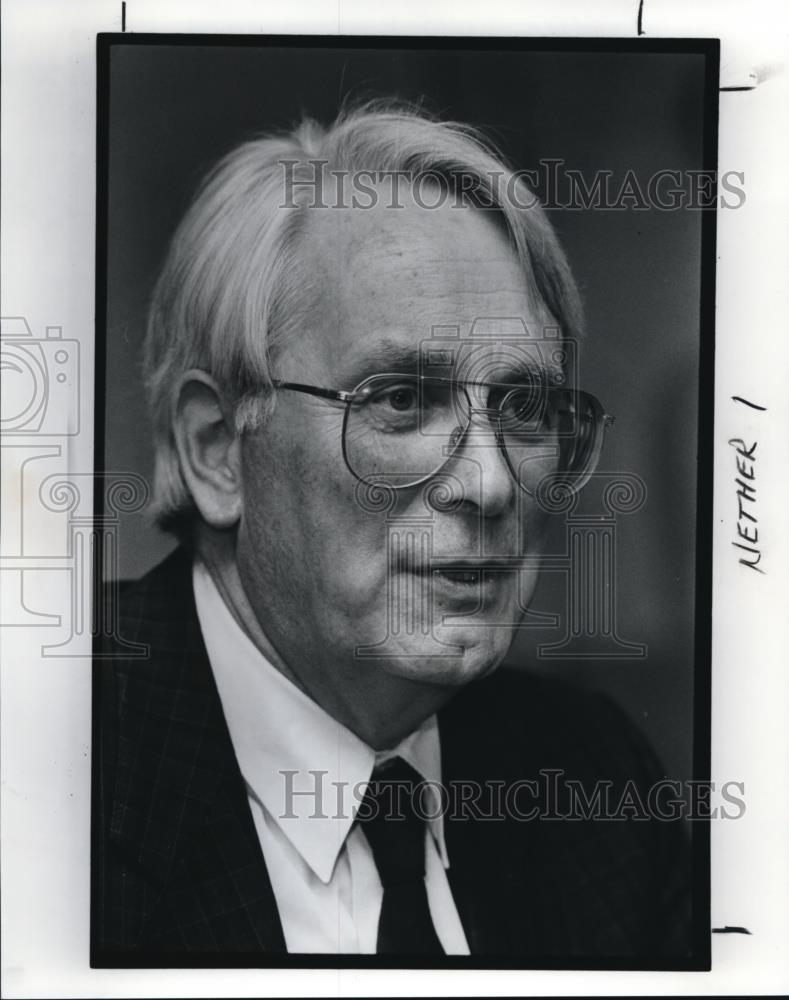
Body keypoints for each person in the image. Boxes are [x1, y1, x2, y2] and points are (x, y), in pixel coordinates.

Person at [93, 103, 692, 962]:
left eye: (524, 409)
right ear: (217, 448)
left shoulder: (594, 785)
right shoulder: (51, 760)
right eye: (402, 400)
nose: (488, 483)